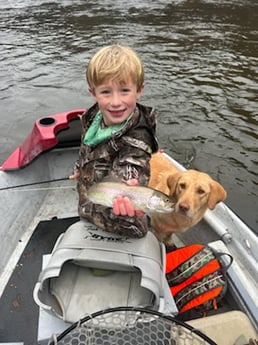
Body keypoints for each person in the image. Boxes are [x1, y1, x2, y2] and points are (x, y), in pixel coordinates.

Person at [74, 44, 159, 238]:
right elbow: (87, 150)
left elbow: (132, 167)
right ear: (93, 93)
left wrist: (130, 188)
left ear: (139, 90)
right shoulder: (94, 117)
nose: (115, 102)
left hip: (121, 225)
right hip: (90, 210)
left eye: (124, 90)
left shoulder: (137, 142)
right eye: (106, 92)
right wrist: (80, 169)